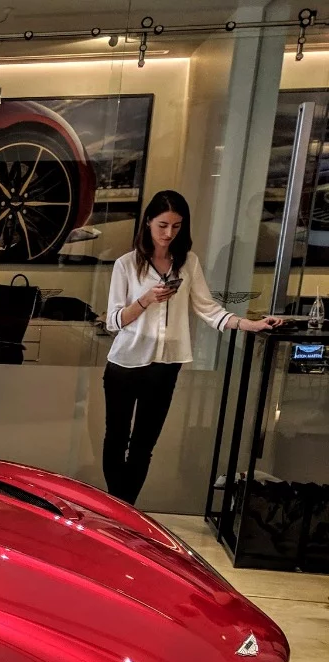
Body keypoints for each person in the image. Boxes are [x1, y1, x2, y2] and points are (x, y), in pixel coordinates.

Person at [102, 189, 281, 505]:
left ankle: (125, 510)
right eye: (162, 225)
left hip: (165, 365)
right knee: (117, 439)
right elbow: (114, 321)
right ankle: (116, 509)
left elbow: (208, 309)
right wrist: (146, 300)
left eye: (176, 226)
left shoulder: (188, 263)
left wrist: (250, 324)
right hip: (125, 364)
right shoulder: (126, 265)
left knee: (144, 445)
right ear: (148, 222)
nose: (168, 233)